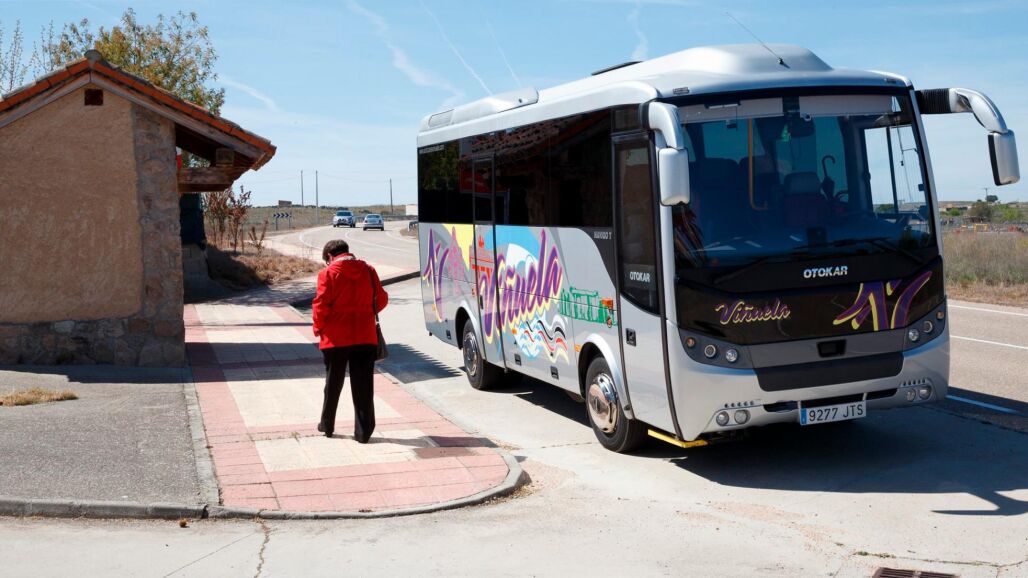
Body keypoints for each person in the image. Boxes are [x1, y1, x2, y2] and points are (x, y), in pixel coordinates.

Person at [312, 239, 388, 442]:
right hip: (365, 336)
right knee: (364, 385)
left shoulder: (327, 274)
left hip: (336, 338)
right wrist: (365, 313)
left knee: (333, 383)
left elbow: (320, 305)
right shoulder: (369, 271)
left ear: (330, 256)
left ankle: (327, 425)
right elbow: (381, 299)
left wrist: (318, 328)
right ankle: (363, 433)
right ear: (347, 252)